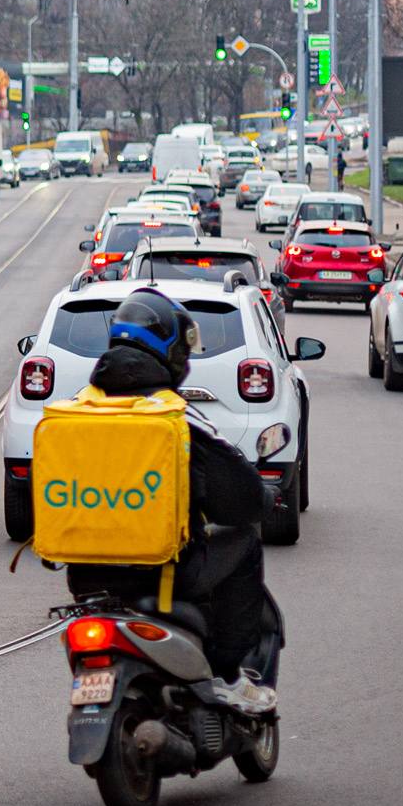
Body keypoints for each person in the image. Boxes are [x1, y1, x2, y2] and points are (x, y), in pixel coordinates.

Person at [66, 288, 280, 713]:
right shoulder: (176, 416)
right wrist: (264, 497)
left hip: (86, 580)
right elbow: (239, 498)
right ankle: (228, 675)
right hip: (164, 575)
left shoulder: (76, 411)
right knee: (246, 544)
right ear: (170, 352)